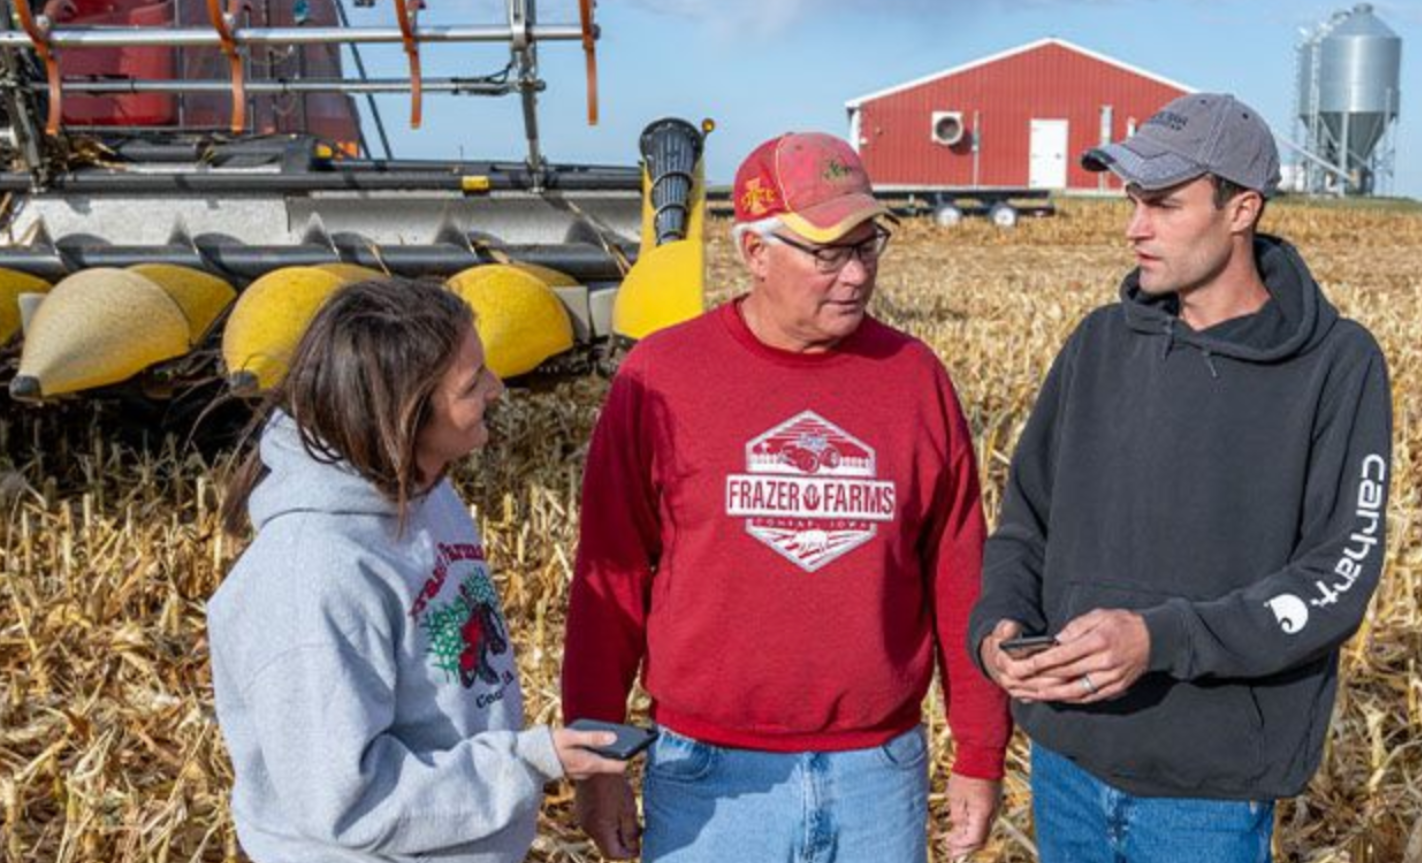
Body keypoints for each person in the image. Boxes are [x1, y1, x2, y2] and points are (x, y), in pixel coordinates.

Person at [563, 132, 1012, 862]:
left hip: (880, 775)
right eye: (827, 253)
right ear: (754, 251)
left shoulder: (913, 378)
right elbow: (609, 580)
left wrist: (981, 750)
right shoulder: (662, 378)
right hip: (708, 776)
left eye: (868, 246)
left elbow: (960, 575)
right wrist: (598, 756)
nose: (855, 275)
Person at [968, 93, 1393, 862]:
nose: (1135, 227)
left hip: (1208, 795)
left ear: (1242, 209)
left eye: (1163, 204)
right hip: (1065, 764)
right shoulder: (1098, 343)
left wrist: (1161, 640)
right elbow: (1024, 521)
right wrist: (997, 627)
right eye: (1133, 202)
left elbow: (1337, 578)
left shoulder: (1335, 364)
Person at [208, 278, 627, 863]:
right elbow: (350, 803)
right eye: (472, 381)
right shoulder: (314, 574)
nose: (497, 389)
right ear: (404, 410)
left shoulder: (426, 496)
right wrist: (531, 762)